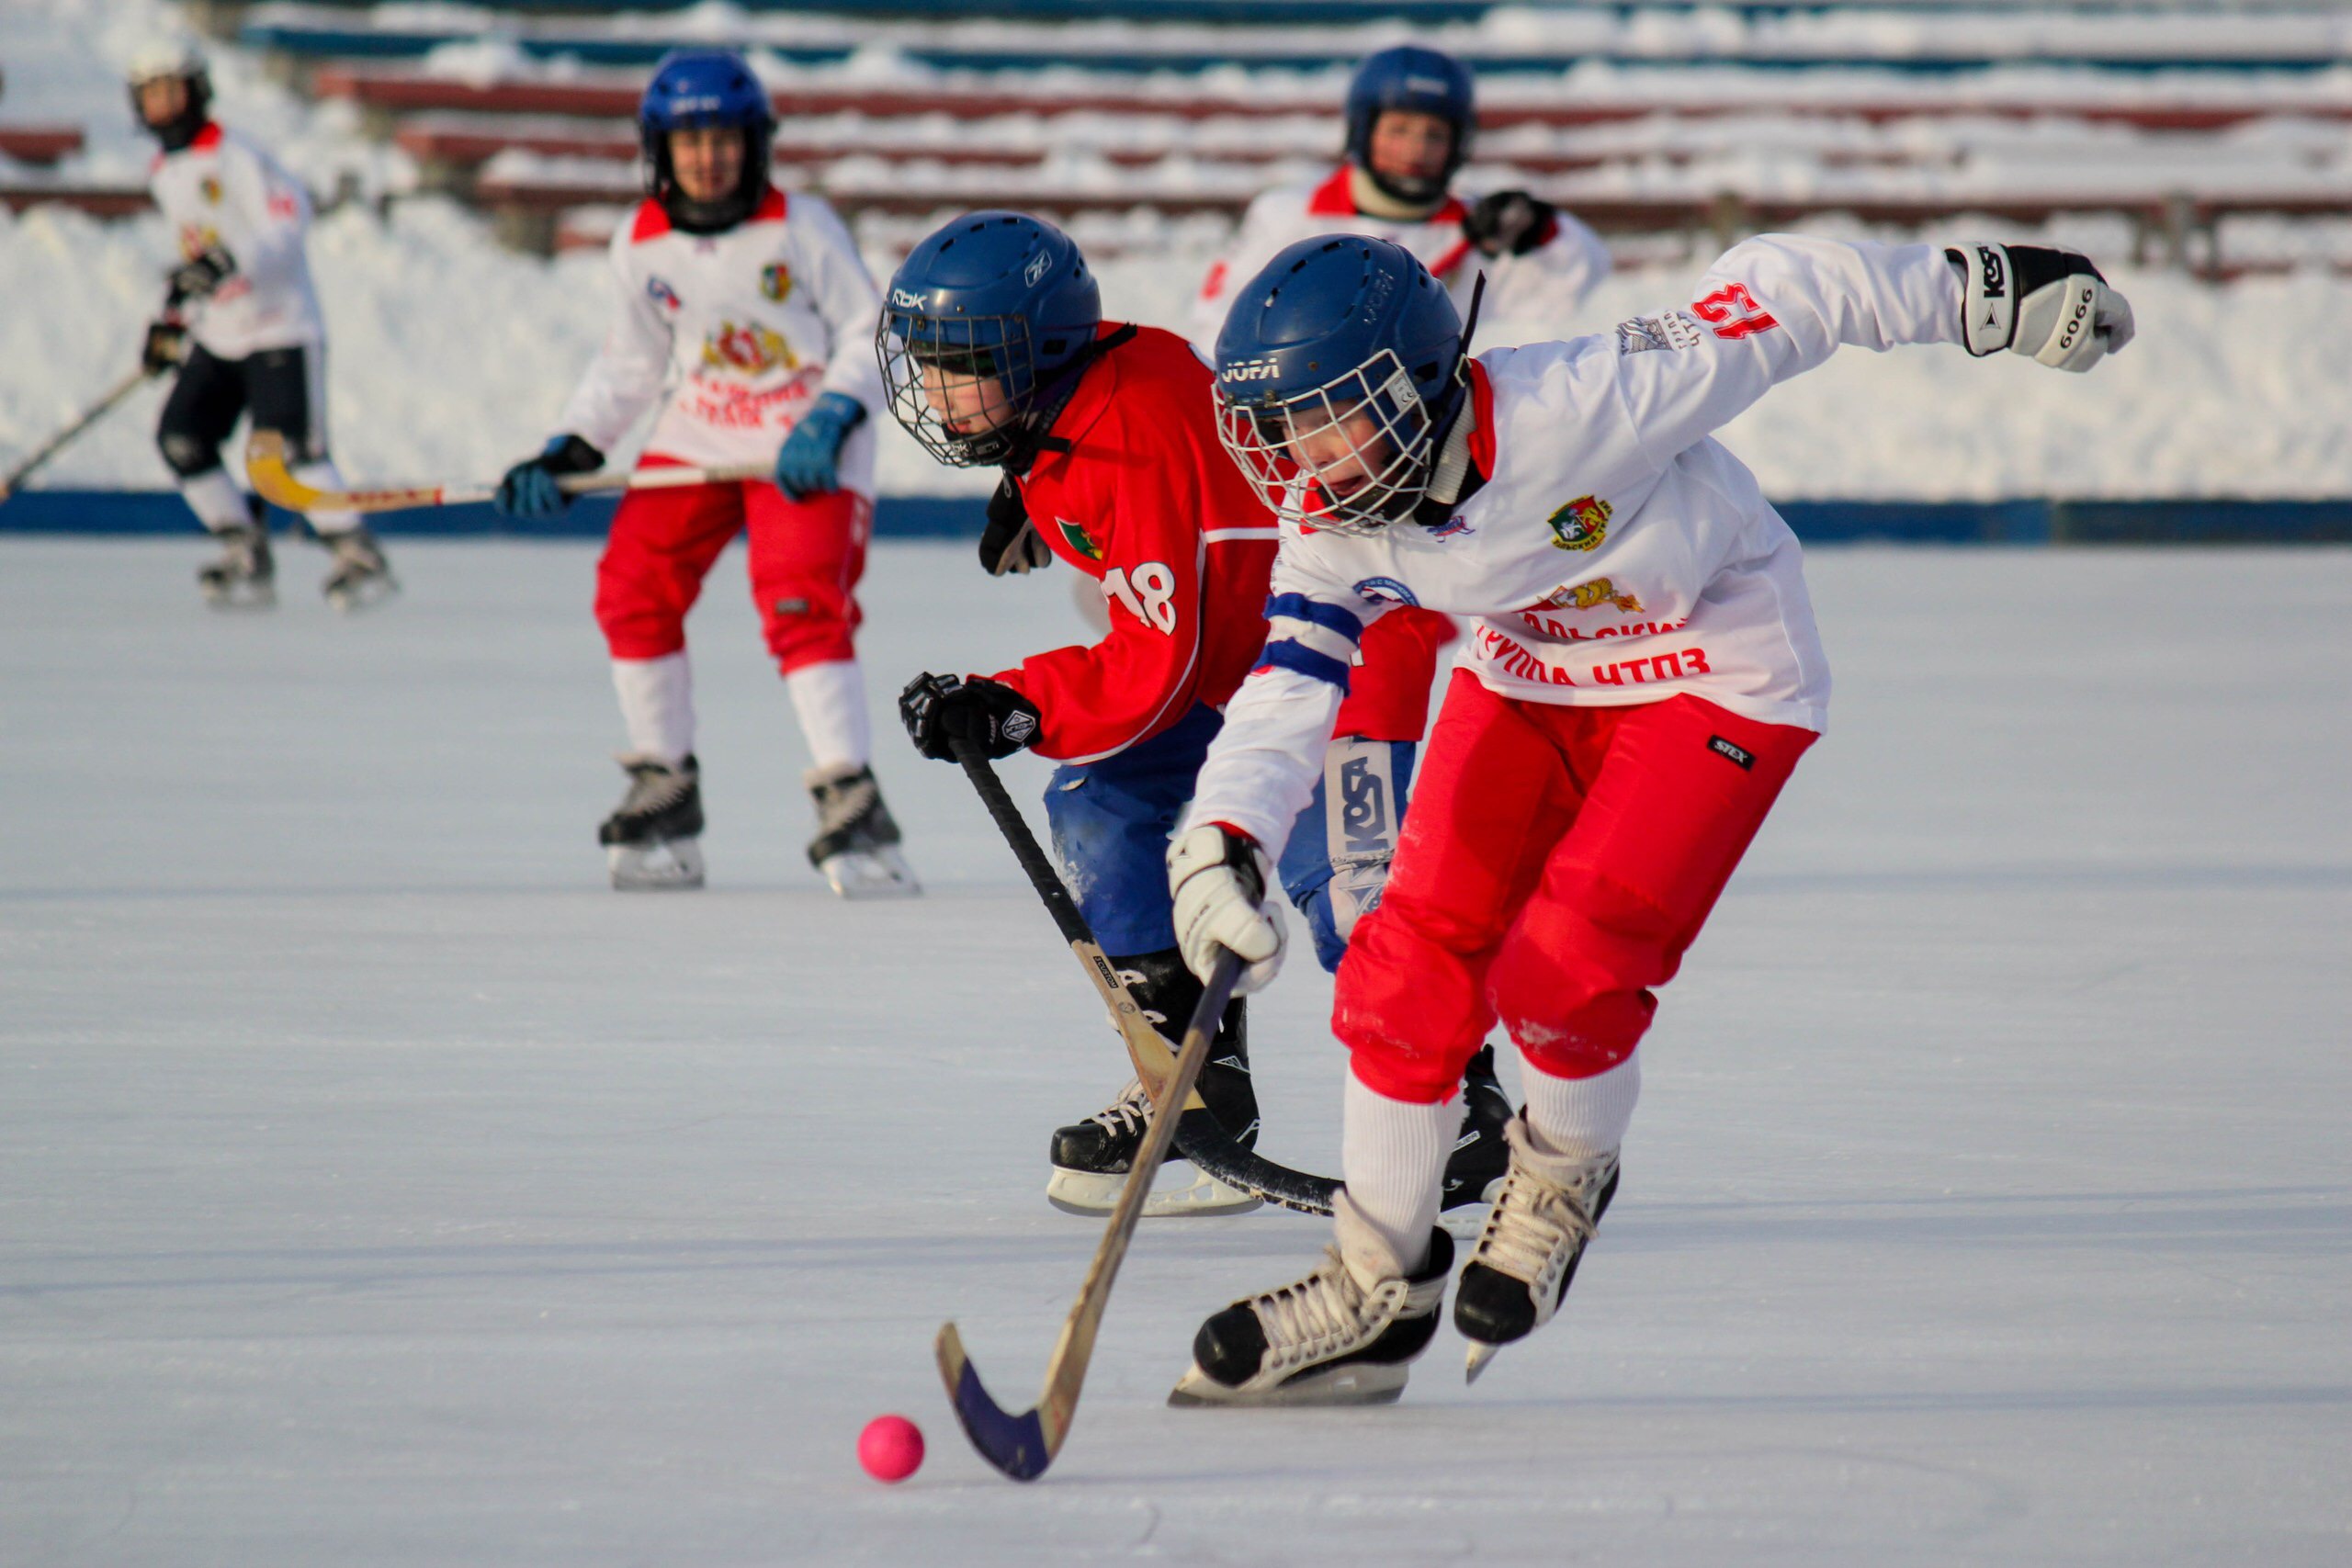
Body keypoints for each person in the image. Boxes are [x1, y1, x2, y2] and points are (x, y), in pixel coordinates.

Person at [1161, 231, 2133, 1404]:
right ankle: (1376, 1285)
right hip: (1528, 675)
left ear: (1416, 382)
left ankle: (1564, 1170)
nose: (1301, 467)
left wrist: (1992, 291)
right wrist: (1221, 843)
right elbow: (1289, 684)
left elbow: (1791, 292)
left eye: (1329, 419)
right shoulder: (1335, 519)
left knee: (1566, 968)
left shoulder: (1586, 399)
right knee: (1404, 961)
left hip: (1715, 670)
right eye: (1276, 434)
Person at [881, 210, 1508, 1221]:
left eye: (965, 367)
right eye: (930, 363)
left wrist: (1010, 701)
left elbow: (1155, 671)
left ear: (1036, 356)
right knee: (1100, 803)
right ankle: (1195, 1088)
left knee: (1350, 892)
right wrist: (1025, 475)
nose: (939, 390)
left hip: (1337, 655)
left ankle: (1466, 1107)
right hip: (1229, 662)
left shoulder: (1137, 445)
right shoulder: (1069, 398)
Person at [494, 50, 913, 897]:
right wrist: (570, 445)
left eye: (725, 138)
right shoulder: (640, 243)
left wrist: (832, 415)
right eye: (688, 142)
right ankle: (665, 782)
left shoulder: (803, 227)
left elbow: (874, 333)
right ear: (659, 150)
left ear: (755, 144)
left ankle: (850, 792)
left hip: (802, 444)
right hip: (700, 434)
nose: (708, 157)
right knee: (630, 588)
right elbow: (629, 365)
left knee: (798, 595)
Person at [130, 41, 394, 610]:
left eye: (169, 91)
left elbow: (288, 219)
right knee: (181, 438)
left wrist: (231, 262)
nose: (160, 106)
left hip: (280, 328)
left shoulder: (237, 155)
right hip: (220, 334)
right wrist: (171, 320)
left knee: (291, 454)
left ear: (196, 92)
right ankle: (243, 548)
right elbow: (193, 254)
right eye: (148, 96)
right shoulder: (163, 172)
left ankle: (355, 552)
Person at [1188, 43, 1612, 347]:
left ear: (1459, 143)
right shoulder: (1290, 216)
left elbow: (1576, 280)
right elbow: (1217, 326)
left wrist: (1539, 230)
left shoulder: (1478, 229)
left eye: (1434, 135)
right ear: (1363, 129)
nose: (1416, 150)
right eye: (1399, 130)